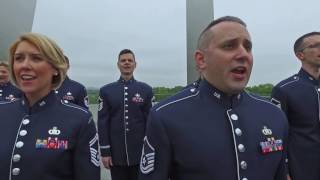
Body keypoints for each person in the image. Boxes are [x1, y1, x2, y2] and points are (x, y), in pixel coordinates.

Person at [139, 16, 288, 180]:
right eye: (229, 46)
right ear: (201, 60)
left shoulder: (274, 115)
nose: (243, 54)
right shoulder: (166, 116)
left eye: (248, 47)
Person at [0, 33, 100, 180]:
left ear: (55, 68)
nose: (25, 65)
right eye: (19, 58)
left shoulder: (80, 120)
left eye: (36, 58)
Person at [98, 49, 153, 180]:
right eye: (123, 60)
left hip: (140, 151)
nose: (127, 63)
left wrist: (151, 150)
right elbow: (103, 123)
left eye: (130, 60)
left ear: (135, 64)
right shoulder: (106, 91)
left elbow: (151, 122)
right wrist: (105, 152)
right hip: (116, 154)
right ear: (118, 65)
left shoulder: (146, 90)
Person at [271, 31, 320, 180]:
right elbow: (275, 135)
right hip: (302, 169)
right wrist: (283, 170)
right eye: (316, 45)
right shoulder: (284, 90)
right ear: (300, 55)